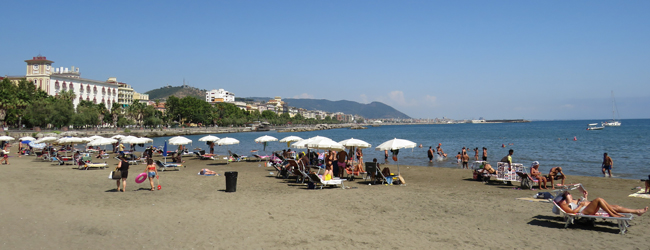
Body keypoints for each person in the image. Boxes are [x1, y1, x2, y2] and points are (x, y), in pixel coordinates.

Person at [558, 190, 647, 217]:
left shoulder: (572, 201)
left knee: (615, 206)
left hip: (588, 207)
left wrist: (585, 197)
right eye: (568, 195)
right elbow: (573, 213)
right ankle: (613, 214)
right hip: (584, 211)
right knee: (599, 199)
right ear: (564, 199)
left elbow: (584, 203)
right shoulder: (564, 205)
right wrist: (580, 205)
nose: (570, 195)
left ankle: (636, 211)